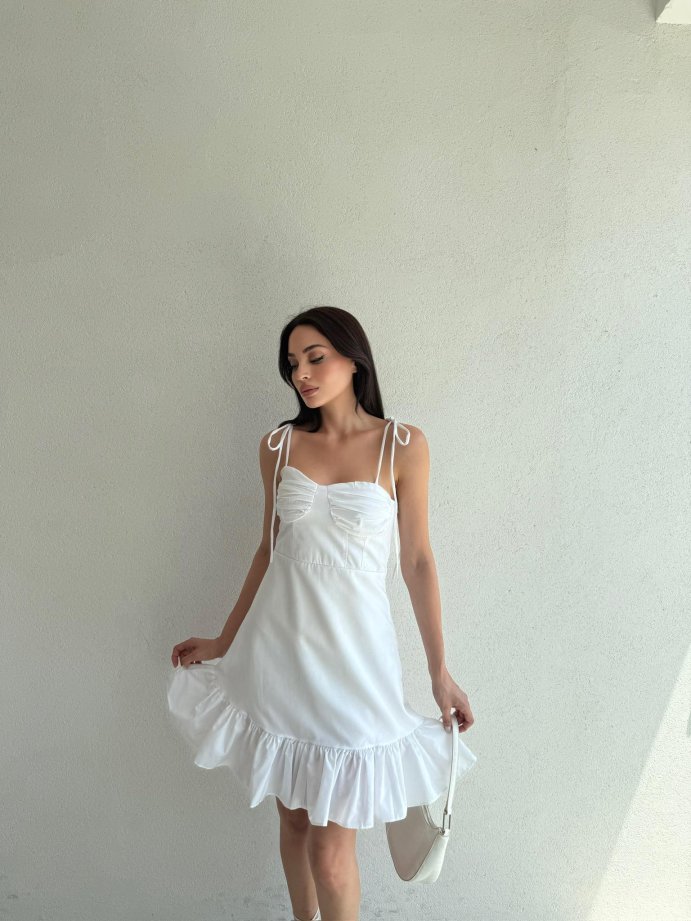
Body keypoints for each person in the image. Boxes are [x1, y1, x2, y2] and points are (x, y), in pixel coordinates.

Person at [167, 306, 477, 921]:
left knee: (333, 855)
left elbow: (418, 561)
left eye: (316, 358)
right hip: (278, 655)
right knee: (294, 824)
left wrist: (439, 673)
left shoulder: (402, 445)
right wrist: (225, 641)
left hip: (354, 668)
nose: (301, 374)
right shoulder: (278, 446)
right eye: (292, 364)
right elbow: (267, 550)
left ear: (353, 359)